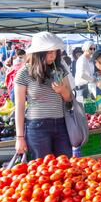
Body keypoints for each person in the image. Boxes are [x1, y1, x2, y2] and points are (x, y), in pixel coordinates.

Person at [14, 31, 73, 159]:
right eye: (49, 52)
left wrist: (63, 90)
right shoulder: (23, 73)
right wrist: (19, 137)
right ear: (38, 54)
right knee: (42, 170)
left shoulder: (60, 69)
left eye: (55, 52)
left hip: (62, 124)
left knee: (66, 168)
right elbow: (19, 107)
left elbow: (69, 98)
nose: (53, 56)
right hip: (37, 127)